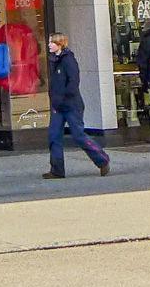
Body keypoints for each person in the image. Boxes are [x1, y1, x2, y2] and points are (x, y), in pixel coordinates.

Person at [41, 32, 110, 180]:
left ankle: (102, 159)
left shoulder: (68, 60)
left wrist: (62, 98)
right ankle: (57, 169)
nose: (49, 45)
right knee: (54, 136)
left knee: (78, 135)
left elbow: (73, 82)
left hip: (71, 105)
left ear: (59, 44)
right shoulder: (54, 60)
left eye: (51, 42)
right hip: (58, 106)